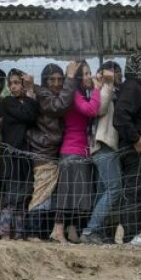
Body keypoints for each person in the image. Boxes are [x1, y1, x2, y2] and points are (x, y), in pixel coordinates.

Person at [25, 63, 76, 240]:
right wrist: (70, 78)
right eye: (52, 79)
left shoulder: (45, 93)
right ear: (45, 81)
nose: (56, 83)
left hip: (50, 150)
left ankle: (41, 233)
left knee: (49, 192)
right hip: (43, 150)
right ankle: (32, 232)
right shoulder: (43, 94)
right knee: (42, 192)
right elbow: (59, 105)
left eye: (60, 79)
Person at [52, 61, 100, 244]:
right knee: (66, 193)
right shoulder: (74, 95)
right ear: (78, 78)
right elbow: (91, 110)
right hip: (72, 149)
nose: (89, 77)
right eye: (86, 74)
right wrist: (97, 89)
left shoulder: (80, 94)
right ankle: (57, 230)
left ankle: (71, 229)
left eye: (90, 73)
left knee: (76, 194)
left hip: (80, 150)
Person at [112, 53, 141, 244]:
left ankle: (133, 232)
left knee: (137, 190)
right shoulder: (133, 87)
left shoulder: (134, 87)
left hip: (139, 148)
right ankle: (130, 234)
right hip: (135, 150)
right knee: (133, 190)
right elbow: (120, 116)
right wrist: (136, 139)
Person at [80, 61, 121, 245]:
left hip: (102, 146)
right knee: (114, 188)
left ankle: (97, 231)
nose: (116, 77)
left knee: (103, 190)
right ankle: (91, 230)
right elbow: (100, 108)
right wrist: (106, 84)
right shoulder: (101, 89)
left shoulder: (104, 90)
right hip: (103, 145)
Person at [0, 69, 39, 239]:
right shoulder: (7, 102)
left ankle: (19, 233)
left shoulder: (28, 101)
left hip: (26, 156)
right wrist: (30, 93)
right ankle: (5, 231)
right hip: (12, 155)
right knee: (12, 195)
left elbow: (32, 115)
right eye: (11, 83)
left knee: (24, 195)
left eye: (17, 83)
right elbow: (29, 116)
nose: (13, 87)